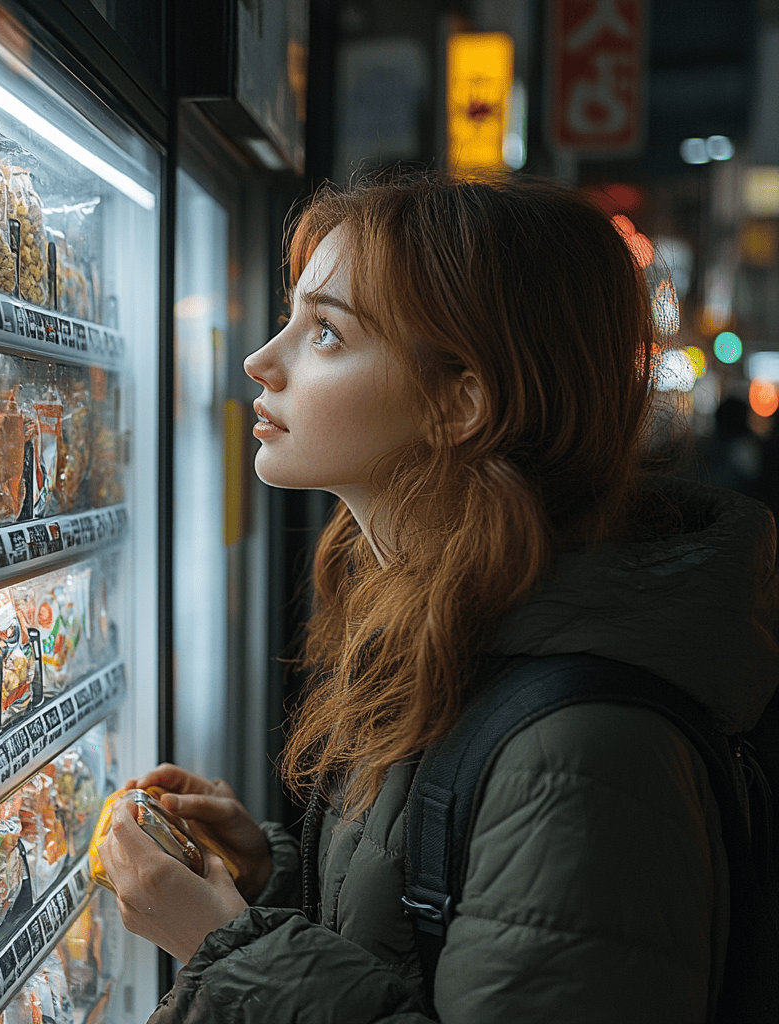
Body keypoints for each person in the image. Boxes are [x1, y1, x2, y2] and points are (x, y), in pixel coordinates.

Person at [97, 172, 778, 1023]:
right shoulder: (446, 630)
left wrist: (228, 950)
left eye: (326, 333)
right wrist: (270, 884)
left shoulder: (591, 754)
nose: (262, 361)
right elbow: (440, 941)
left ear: (461, 399)